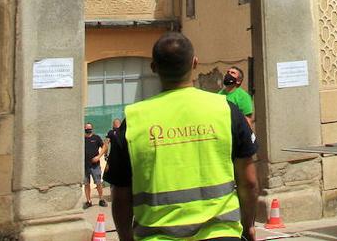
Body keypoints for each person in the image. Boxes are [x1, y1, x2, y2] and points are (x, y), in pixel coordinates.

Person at [107, 33, 258, 241]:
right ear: (195, 63)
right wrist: (248, 226)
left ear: (153, 67)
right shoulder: (225, 110)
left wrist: (126, 238)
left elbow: (120, 196)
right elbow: (249, 182)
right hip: (221, 234)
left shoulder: (133, 120)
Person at [84, 122, 107, 208]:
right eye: (86, 128)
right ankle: (88, 201)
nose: (88, 130)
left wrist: (99, 156)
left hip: (95, 166)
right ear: (84, 129)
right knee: (86, 184)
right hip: (85, 166)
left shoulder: (96, 138)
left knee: (98, 183)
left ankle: (101, 200)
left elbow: (104, 146)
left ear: (92, 129)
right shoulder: (82, 139)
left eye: (89, 128)